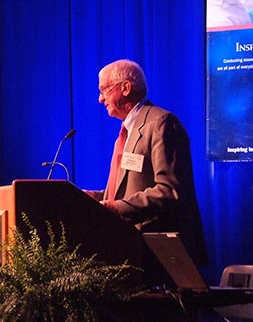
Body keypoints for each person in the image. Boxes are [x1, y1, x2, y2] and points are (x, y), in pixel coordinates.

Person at [88, 59, 208, 268]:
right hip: (131, 249)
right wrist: (89, 199)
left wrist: (115, 208)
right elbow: (124, 192)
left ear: (125, 88)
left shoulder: (161, 123)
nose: (100, 99)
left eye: (104, 90)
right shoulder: (125, 135)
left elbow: (170, 191)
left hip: (161, 255)